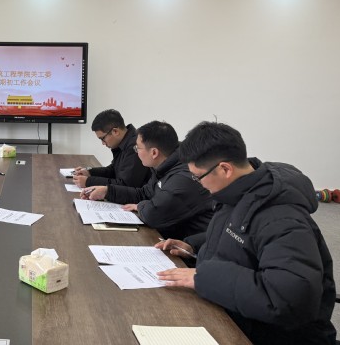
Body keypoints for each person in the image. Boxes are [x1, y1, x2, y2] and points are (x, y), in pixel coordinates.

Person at [156, 122, 336, 345]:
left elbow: (287, 300)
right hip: (232, 312)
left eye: (198, 177)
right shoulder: (237, 192)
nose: (198, 184)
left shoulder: (282, 218)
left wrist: (205, 277)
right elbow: (240, 236)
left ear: (225, 169)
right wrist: (193, 246)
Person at [81, 121, 213, 240]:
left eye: (137, 148)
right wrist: (107, 191)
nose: (136, 152)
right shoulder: (162, 164)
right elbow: (144, 194)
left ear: (154, 153)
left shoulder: (183, 177)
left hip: (188, 249)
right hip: (168, 236)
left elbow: (153, 215)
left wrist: (140, 206)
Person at [72, 109, 150, 188]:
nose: (103, 143)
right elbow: (113, 170)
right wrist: (90, 172)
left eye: (102, 138)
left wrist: (88, 182)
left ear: (115, 131)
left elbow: (125, 185)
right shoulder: (125, 142)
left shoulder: (135, 147)